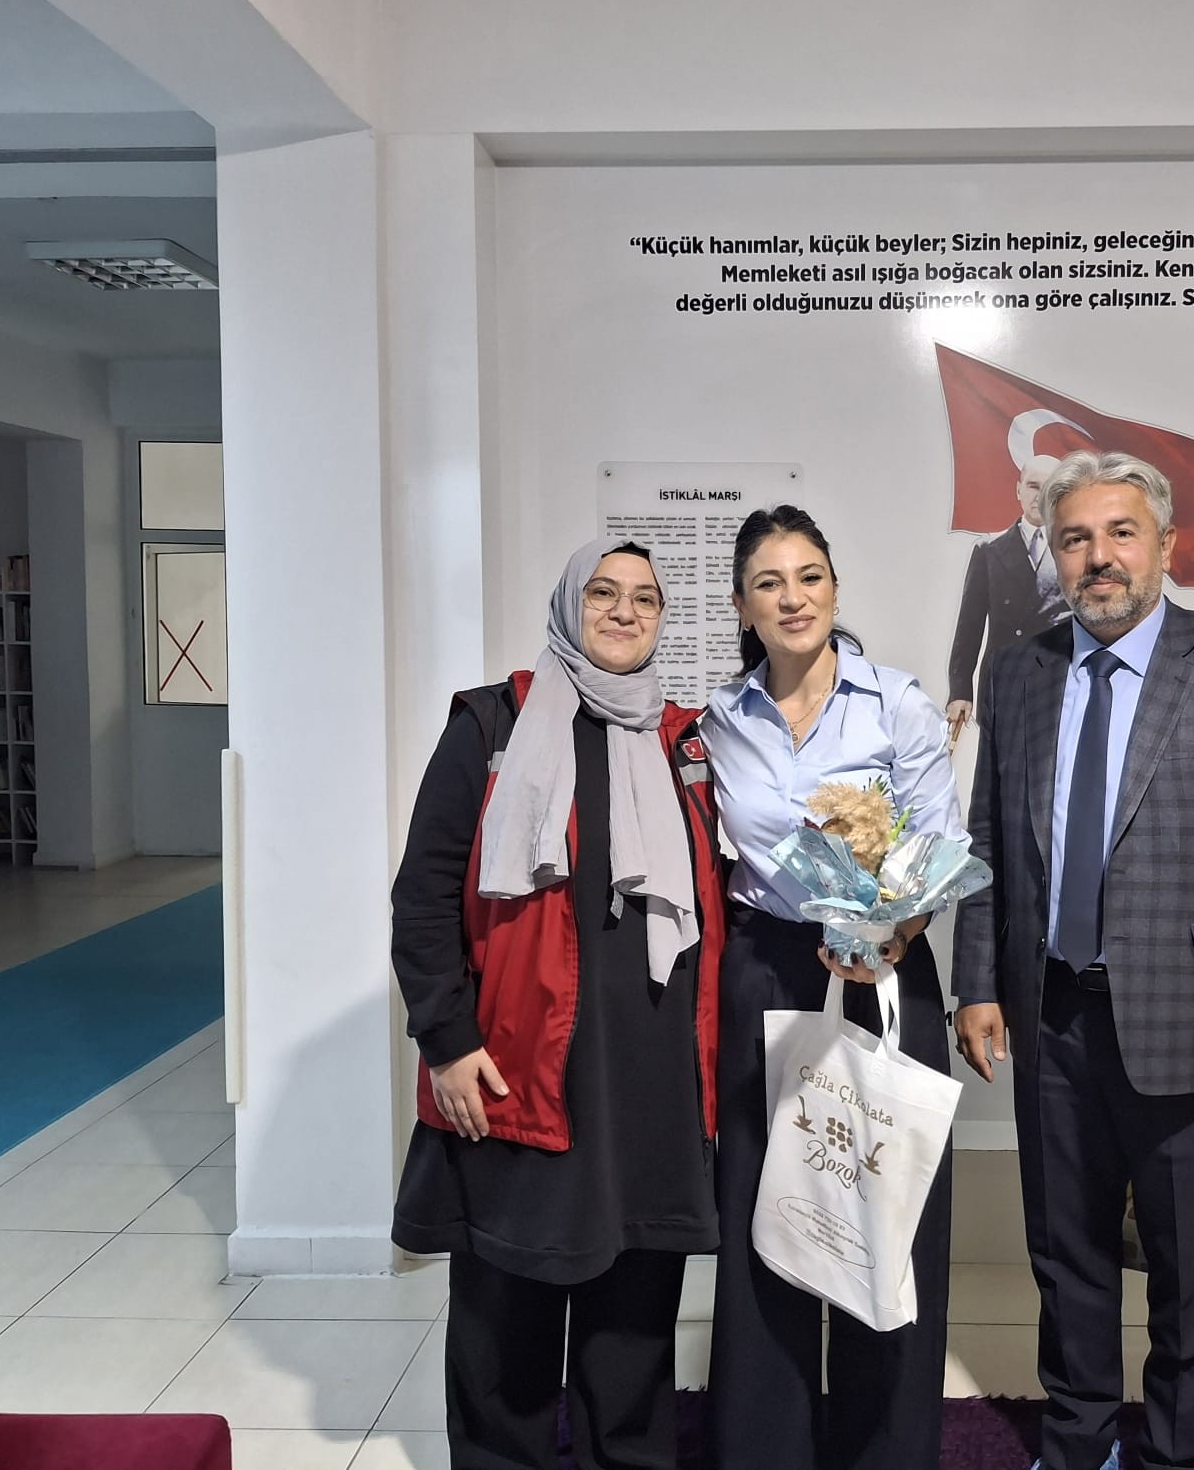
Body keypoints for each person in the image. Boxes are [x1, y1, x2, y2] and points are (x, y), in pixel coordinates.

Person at [953, 451, 1194, 1470]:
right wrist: (977, 983)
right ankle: (1076, 1444)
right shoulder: (1019, 672)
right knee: (1064, 1254)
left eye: (1121, 533)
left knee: (1188, 1266)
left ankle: (1178, 1452)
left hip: (1187, 1021)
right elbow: (986, 843)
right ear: (1054, 555)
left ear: (1164, 544)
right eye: (1075, 538)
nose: (1099, 556)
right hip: (1051, 1017)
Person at [389, 537, 727, 1470]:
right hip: (519, 1068)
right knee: (507, 1314)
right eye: (604, 593)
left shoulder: (683, 740)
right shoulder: (492, 725)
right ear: (569, 604)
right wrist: (446, 1040)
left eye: (645, 599)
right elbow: (423, 895)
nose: (624, 612)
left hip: (651, 1078)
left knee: (635, 1318)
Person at [701, 505, 961, 1470]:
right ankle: (763, 1447)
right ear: (743, 606)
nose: (793, 597)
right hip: (765, 968)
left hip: (888, 968)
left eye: (809, 576)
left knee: (885, 1211)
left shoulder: (896, 703)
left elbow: (939, 842)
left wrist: (891, 934)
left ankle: (882, 1448)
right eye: (769, 583)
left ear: (835, 589)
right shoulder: (720, 721)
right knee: (766, 1207)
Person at [946, 451, 1071, 743]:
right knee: (996, 770)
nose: (1039, 497)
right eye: (1033, 486)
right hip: (1001, 686)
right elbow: (969, 626)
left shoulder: (1075, 553)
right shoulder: (989, 550)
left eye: (1049, 488)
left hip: (1058, 687)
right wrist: (960, 690)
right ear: (1018, 489)